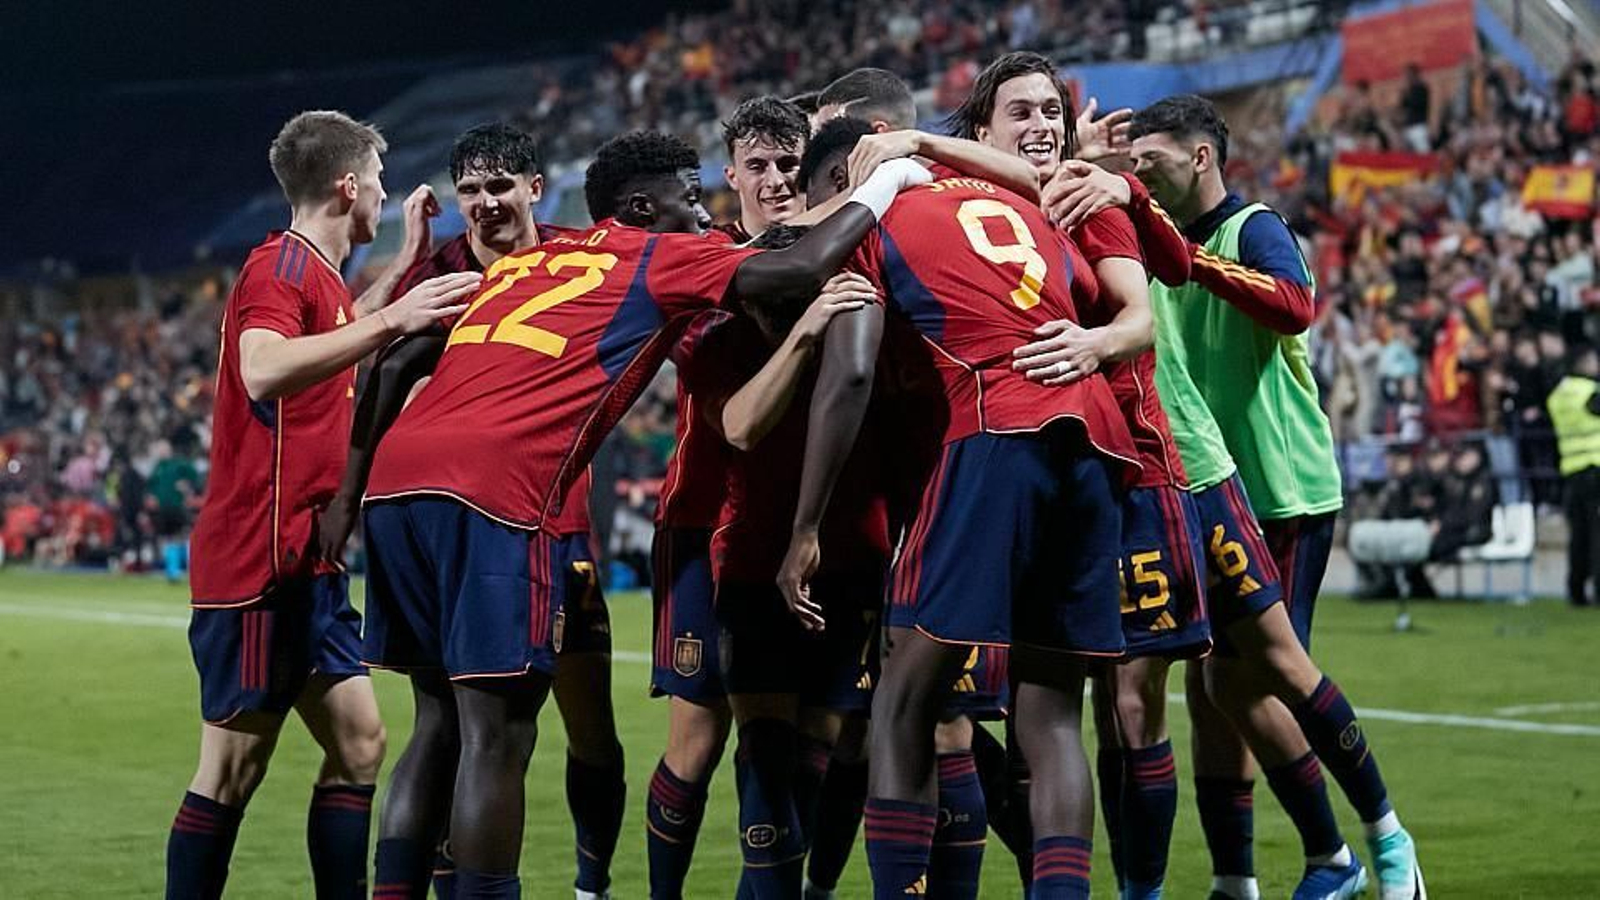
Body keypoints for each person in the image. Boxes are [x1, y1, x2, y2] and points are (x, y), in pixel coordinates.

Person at [354, 130, 929, 898]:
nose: (702, 214)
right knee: (497, 737)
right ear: (639, 208)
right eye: (690, 200)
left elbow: (393, 363)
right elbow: (797, 265)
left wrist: (343, 497)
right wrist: (891, 177)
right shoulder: (656, 254)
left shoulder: (528, 261)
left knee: (437, 725)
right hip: (493, 489)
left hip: (395, 485)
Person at [1039, 94, 1427, 900]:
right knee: (1212, 689)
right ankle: (1237, 879)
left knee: (1257, 677)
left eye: (1152, 159)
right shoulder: (1140, 237)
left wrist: (1154, 221)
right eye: (1132, 160)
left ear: (1200, 158)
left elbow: (1294, 306)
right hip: (1198, 484)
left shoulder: (1253, 227)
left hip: (1280, 486)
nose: (1137, 170)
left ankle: (1362, 851)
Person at [783, 117, 1139, 900]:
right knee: (1049, 716)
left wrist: (804, 526)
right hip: (1096, 443)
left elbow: (848, 379)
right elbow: (1094, 300)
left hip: (992, 431)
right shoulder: (1020, 201)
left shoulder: (877, 218)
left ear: (846, 182)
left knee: (904, 699)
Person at [166, 110, 481, 900]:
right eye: (376, 178)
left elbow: (341, 329)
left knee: (361, 745)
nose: (383, 191)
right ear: (348, 186)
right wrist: (390, 316)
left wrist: (402, 266)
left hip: (309, 559)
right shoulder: (277, 268)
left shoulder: (318, 279)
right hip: (258, 562)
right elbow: (265, 367)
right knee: (232, 770)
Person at [318, 122, 625, 900]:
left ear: (535, 187)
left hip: (565, 525)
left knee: (589, 725)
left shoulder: (577, 257)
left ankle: (593, 885)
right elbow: (362, 372)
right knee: (464, 726)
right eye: (471, 191)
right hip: (471, 527)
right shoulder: (444, 275)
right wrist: (408, 259)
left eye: (500, 187)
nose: (486, 205)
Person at [947, 50, 1210, 898]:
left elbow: (1141, 322)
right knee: (1022, 710)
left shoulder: (1085, 201)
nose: (1041, 127)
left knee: (1128, 704)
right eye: (1019, 113)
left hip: (1126, 474)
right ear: (981, 131)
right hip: (1016, 474)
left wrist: (1095, 342)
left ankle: (1148, 889)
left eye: (1049, 112)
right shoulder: (972, 210)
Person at [645, 97, 811, 900]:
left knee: (805, 739)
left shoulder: (843, 255)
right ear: (730, 178)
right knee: (700, 737)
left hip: (813, 533)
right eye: (759, 166)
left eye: (790, 164)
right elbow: (730, 414)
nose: (776, 181)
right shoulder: (701, 268)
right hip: (704, 524)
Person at [1546, 344, 1600, 606]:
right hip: (1595, 466)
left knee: (1579, 534)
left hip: (1571, 470)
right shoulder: (1591, 392)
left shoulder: (1558, 395)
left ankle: (1576, 590)